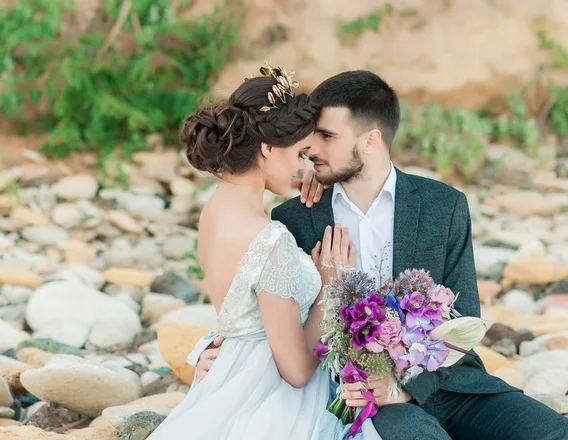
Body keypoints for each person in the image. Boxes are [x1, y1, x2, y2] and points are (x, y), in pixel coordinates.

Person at [193, 70, 568, 440]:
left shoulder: (443, 205)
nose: (310, 149)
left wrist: (405, 386)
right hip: (366, 403)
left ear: (371, 139)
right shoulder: (294, 217)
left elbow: (465, 316)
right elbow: (264, 309)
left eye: (326, 136)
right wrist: (207, 351)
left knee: (551, 430)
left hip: (451, 387)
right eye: (309, 138)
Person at [147, 65, 382, 439]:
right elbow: (298, 371)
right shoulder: (269, 239)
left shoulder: (214, 212)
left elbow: (241, 313)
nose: (303, 164)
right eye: (300, 153)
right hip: (271, 399)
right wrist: (328, 286)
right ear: (268, 147)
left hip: (230, 378)